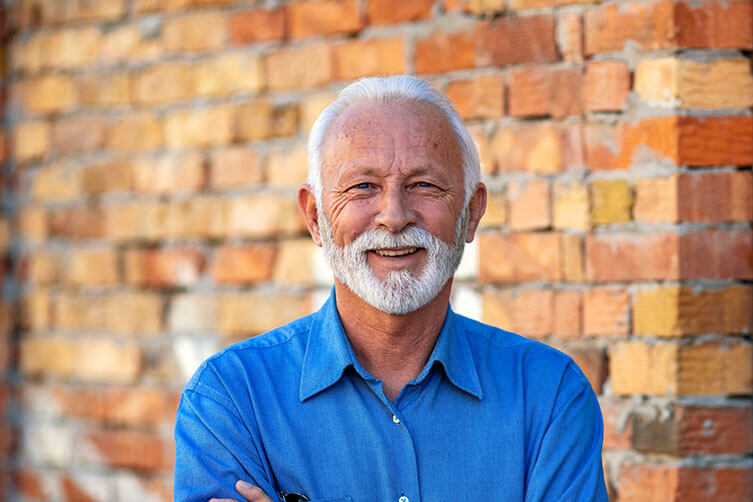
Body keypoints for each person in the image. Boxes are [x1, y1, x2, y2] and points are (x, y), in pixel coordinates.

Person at [174, 75, 608, 502]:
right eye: (363, 186)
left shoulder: (550, 395)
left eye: (424, 185)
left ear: (471, 213)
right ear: (314, 218)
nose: (394, 216)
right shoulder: (231, 397)